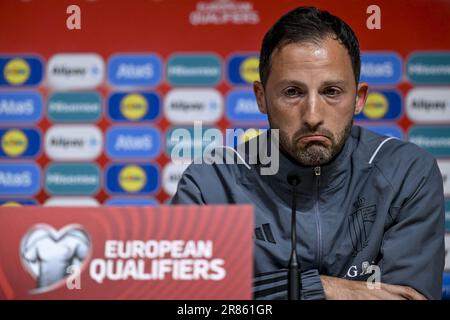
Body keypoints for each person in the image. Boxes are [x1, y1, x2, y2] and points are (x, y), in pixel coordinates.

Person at [170, 6, 445, 300]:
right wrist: (322, 289)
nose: (312, 115)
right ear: (261, 98)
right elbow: (186, 301)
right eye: (292, 92)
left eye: (331, 91)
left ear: (359, 98)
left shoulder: (406, 172)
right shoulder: (211, 185)